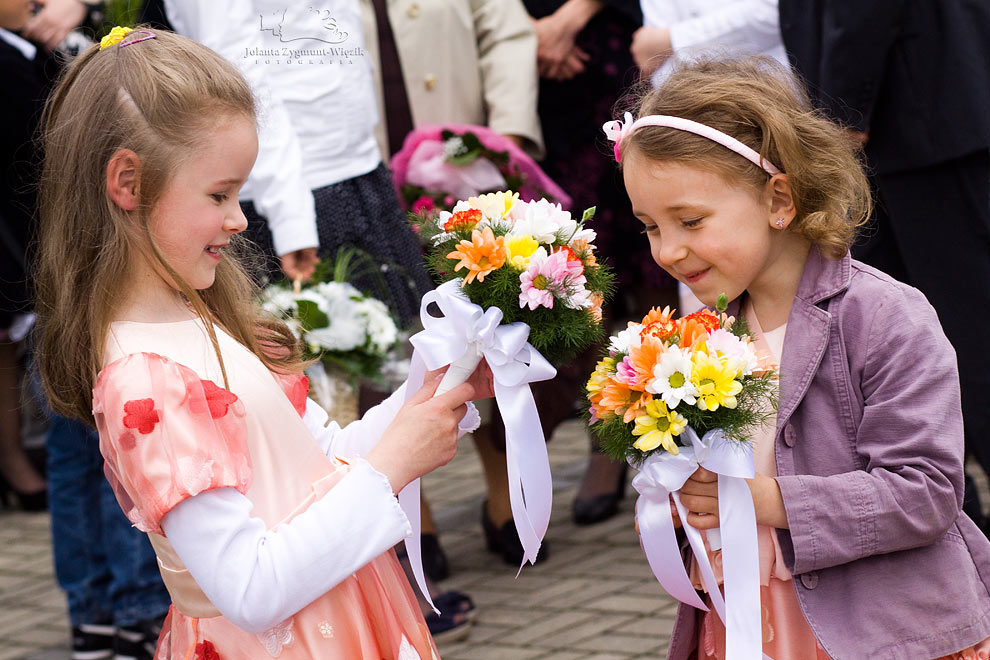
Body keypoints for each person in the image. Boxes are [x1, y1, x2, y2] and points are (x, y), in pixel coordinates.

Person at [34, 27, 491, 659]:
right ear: (128, 184)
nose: (240, 218)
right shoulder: (145, 381)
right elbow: (250, 588)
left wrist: (435, 394)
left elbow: (318, 463)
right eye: (219, 194)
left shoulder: (203, 318)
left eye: (240, 193)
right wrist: (393, 467)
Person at [607, 56, 990, 659]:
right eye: (650, 227)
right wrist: (675, 503)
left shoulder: (885, 317)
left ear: (778, 199)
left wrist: (767, 501)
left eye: (690, 220)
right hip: (746, 620)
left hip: (878, 628)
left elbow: (926, 492)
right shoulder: (696, 336)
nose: (669, 250)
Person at [777, 0, 990, 530]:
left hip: (916, 123)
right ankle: (951, 508)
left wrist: (844, 114)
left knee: (967, 324)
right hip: (915, 122)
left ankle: (949, 506)